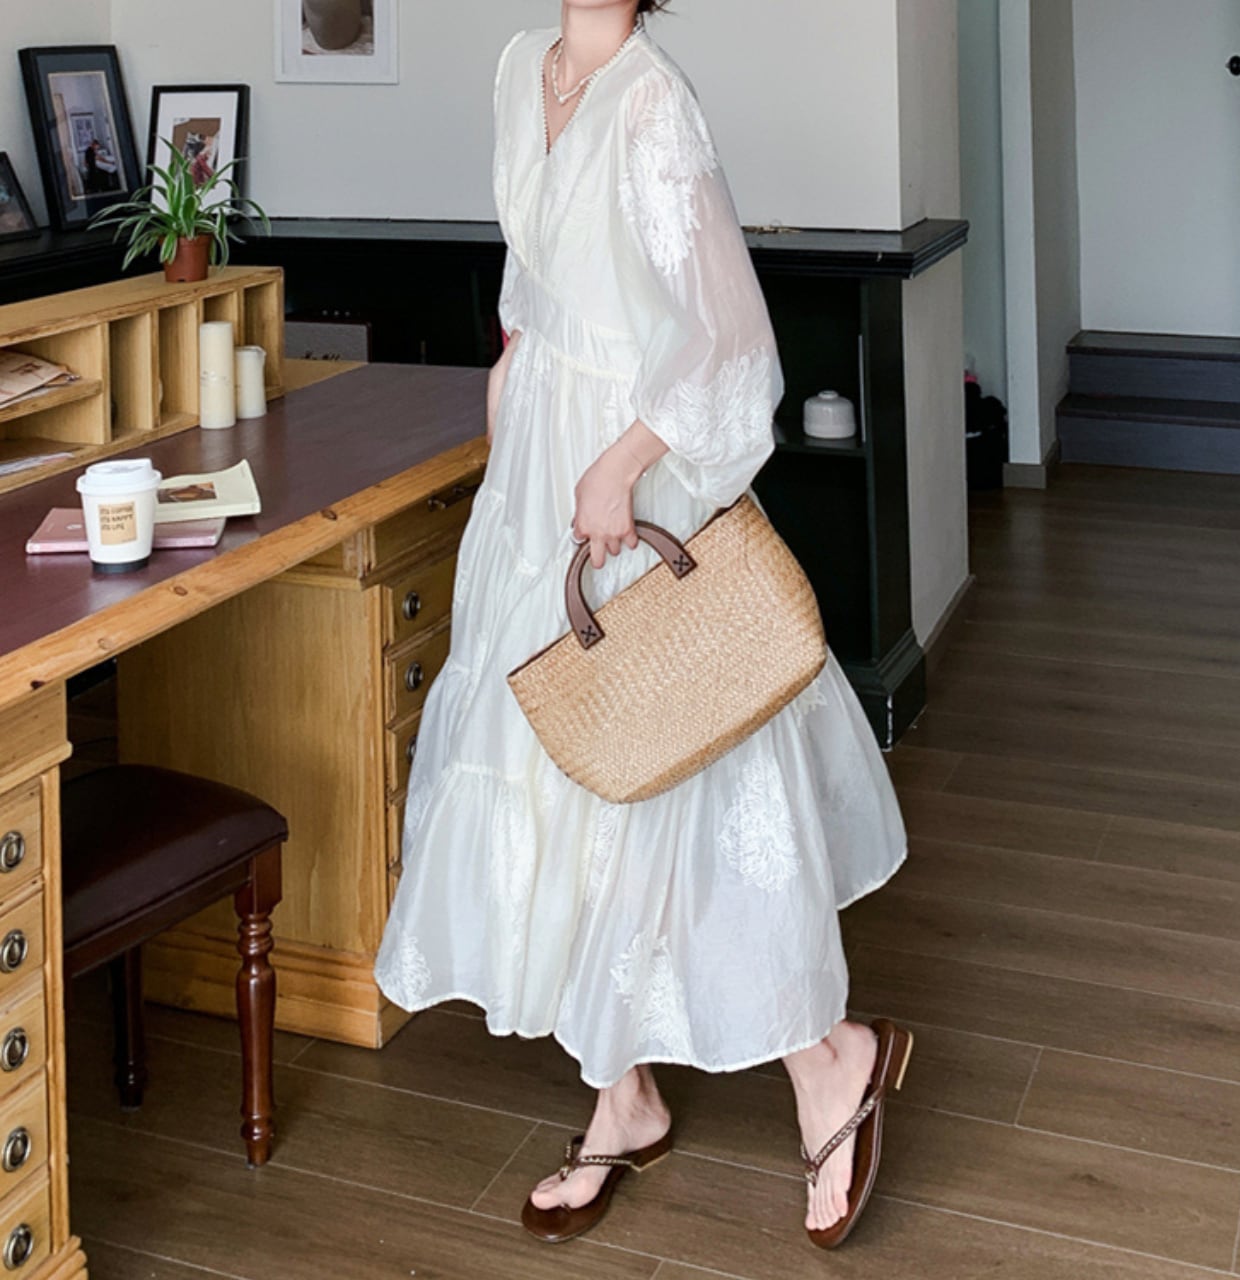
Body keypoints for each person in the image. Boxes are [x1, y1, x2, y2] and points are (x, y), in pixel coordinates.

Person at [374, 0, 910, 1250]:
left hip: (626, 464)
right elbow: (532, 275)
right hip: (537, 464)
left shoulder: (655, 102)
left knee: (671, 774)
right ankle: (621, 1094)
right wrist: (509, 387)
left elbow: (728, 339)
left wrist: (616, 466)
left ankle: (828, 1054)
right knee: (551, 761)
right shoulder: (520, 69)